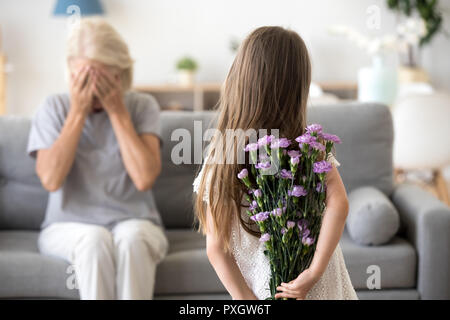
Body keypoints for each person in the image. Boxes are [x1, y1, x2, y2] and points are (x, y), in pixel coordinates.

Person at [193, 26, 357, 300]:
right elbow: (338, 203)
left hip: (263, 290)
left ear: (240, 80)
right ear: (297, 89)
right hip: (317, 285)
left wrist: (245, 299)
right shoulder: (308, 148)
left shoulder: (222, 154)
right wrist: (313, 273)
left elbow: (216, 248)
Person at [27, 18, 168, 300]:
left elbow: (144, 178)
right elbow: (51, 179)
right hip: (67, 226)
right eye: (83, 78)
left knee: (133, 238)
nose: (93, 91)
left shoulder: (142, 106)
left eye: (102, 80)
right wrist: (77, 113)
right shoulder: (53, 108)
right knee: (94, 240)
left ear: (120, 75)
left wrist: (117, 113)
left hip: (137, 221)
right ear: (70, 73)